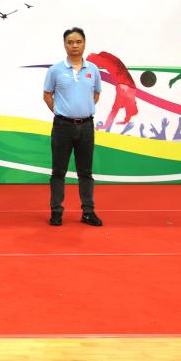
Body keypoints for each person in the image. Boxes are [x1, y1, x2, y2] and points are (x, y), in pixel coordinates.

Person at [43, 27, 103, 227]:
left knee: (85, 172)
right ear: (64, 45)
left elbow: (96, 94)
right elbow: (47, 95)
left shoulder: (93, 70)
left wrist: (82, 111)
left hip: (86, 126)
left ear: (84, 44)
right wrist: (61, 111)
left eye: (78, 42)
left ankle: (88, 212)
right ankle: (56, 212)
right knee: (58, 172)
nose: (74, 45)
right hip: (62, 126)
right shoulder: (55, 70)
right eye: (70, 42)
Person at [86, 50, 137, 132]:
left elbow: (116, 110)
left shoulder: (130, 94)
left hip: (125, 85)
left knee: (102, 58)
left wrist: (107, 124)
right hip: (125, 85)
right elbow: (116, 110)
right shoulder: (129, 96)